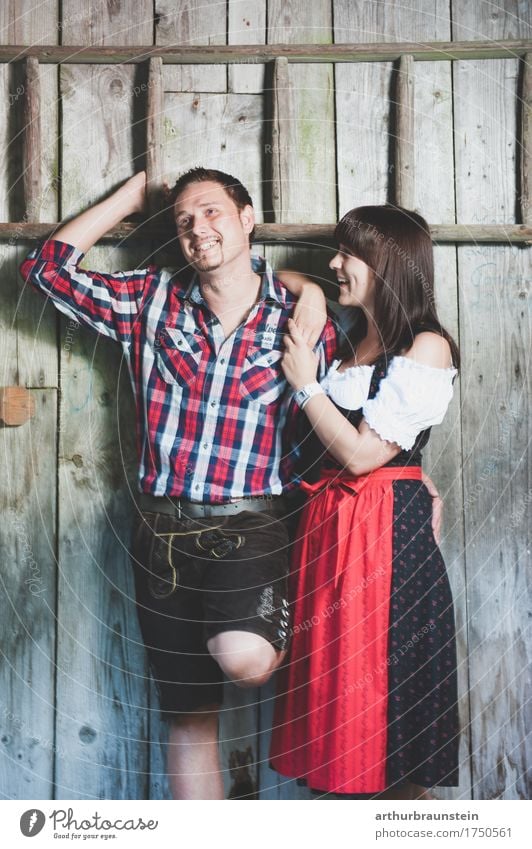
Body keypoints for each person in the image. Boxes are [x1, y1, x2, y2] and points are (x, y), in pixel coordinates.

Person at [20, 167, 337, 800]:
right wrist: (129, 198)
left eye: (214, 212)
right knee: (188, 716)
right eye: (185, 219)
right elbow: (45, 270)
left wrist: (309, 287)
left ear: (248, 220)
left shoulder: (301, 321)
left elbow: (370, 391)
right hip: (162, 530)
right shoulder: (149, 300)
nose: (199, 228)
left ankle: (288, 639)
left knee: (244, 662)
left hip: (253, 523)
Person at [269, 204, 460, 799]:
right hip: (329, 531)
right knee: (333, 699)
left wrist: (303, 383)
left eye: (346, 254)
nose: (333, 264)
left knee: (382, 706)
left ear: (384, 263)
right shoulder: (357, 336)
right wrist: (316, 298)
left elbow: (358, 455)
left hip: (382, 542)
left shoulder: (425, 346)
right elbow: (279, 276)